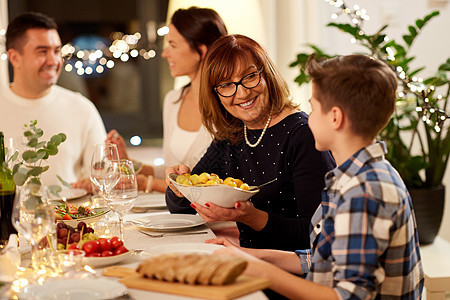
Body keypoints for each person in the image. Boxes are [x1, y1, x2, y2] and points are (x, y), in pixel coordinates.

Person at [207, 54, 424, 299]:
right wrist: (248, 256)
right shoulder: (353, 177)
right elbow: (323, 258)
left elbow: (347, 296)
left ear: (335, 117)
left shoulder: (363, 192)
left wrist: (258, 270)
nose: (307, 118)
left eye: (313, 108)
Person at [166, 34, 336, 252]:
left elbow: (319, 235)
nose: (242, 92)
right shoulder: (232, 135)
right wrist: (178, 186)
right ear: (215, 94)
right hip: (248, 262)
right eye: (226, 85)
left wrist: (253, 218)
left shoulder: (302, 134)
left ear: (267, 75)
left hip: (293, 274)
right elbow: (181, 209)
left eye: (249, 77)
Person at [105, 7, 228, 193]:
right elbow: (173, 174)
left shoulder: (229, 104)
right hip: (175, 216)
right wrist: (128, 163)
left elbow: (216, 184)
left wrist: (147, 184)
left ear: (201, 51)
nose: (165, 53)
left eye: (173, 45)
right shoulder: (173, 100)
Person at [1, 12, 106, 186]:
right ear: (14, 58)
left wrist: (95, 185)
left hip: (68, 212)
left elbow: (103, 177)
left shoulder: (82, 108)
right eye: (42, 52)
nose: (53, 60)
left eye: (57, 51)